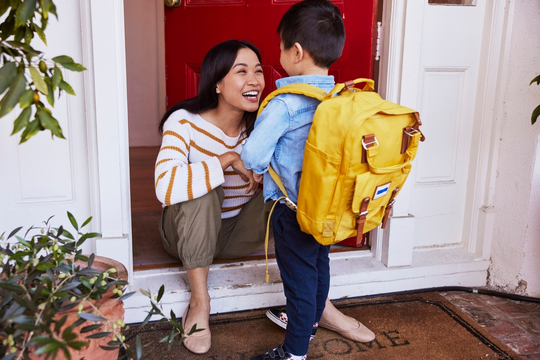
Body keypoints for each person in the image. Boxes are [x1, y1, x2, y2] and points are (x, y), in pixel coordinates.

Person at [242, 1, 374, 359]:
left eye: (282, 46)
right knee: (318, 265)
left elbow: (253, 155)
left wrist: (255, 167)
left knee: (298, 280)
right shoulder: (340, 97)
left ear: (295, 52)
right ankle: (311, 321)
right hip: (328, 204)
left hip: (292, 210)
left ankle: (295, 351)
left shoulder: (284, 105)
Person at [154, 39, 268, 354]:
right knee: (202, 188)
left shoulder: (262, 126)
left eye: (258, 71)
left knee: (290, 184)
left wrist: (268, 173)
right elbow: (165, 186)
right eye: (242, 71)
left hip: (235, 232)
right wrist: (229, 159)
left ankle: (316, 300)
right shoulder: (183, 121)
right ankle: (200, 301)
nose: (255, 81)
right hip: (183, 233)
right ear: (217, 83)